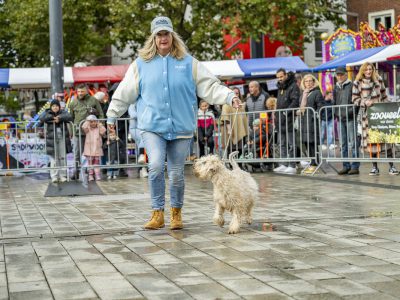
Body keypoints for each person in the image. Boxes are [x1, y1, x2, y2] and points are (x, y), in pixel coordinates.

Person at [106, 16, 241, 230]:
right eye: (158, 34)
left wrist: (229, 97)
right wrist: (112, 115)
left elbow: (210, 85)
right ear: (153, 38)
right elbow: (124, 92)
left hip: (181, 127)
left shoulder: (188, 63)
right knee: (156, 165)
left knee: (177, 173)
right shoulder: (140, 65)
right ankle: (157, 212)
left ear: (172, 36)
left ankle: (176, 213)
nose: (163, 38)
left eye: (166, 33)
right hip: (152, 127)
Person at [352, 62, 399, 176]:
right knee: (372, 143)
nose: (368, 71)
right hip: (367, 117)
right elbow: (354, 99)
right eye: (366, 69)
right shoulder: (357, 83)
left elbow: (384, 96)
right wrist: (364, 102)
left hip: (380, 115)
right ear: (362, 71)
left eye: (370, 69)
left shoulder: (379, 81)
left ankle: (392, 167)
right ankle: (374, 167)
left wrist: (390, 109)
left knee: (386, 141)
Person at [69, 84, 104, 179]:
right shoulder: (73, 102)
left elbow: (101, 114)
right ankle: (76, 172)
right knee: (77, 153)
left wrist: (99, 127)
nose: (80, 93)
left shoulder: (93, 100)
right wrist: (71, 132)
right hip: (78, 133)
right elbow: (70, 118)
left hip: (92, 133)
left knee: (92, 154)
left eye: (82, 91)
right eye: (79, 91)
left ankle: (90, 173)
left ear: (87, 91)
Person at [333, 66, 360, 175]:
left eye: (341, 74)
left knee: (353, 143)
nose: (339, 77)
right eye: (337, 75)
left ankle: (355, 166)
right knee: (343, 144)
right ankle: (346, 165)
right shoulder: (336, 87)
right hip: (340, 118)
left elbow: (355, 101)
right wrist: (336, 113)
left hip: (350, 117)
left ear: (345, 74)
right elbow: (334, 102)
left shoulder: (352, 85)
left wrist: (351, 112)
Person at [273, 68, 300, 174]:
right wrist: (276, 114)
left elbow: (295, 101)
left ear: (286, 75)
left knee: (291, 143)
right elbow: (278, 102)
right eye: (278, 77)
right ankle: (284, 163)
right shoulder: (280, 87)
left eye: (281, 76)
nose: (280, 79)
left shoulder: (293, 86)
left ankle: (292, 164)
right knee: (282, 143)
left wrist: (286, 112)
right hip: (280, 119)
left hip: (289, 118)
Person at [296, 74, 324, 175]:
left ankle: (314, 163)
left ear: (314, 81)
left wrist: (315, 114)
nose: (308, 83)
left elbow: (320, 106)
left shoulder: (316, 92)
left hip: (312, 121)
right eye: (306, 81)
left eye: (310, 81)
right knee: (306, 142)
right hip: (304, 121)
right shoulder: (303, 93)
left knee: (312, 143)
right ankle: (311, 162)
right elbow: (301, 106)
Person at [40, 99, 73, 183]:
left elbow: (69, 117)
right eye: (53, 106)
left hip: (62, 138)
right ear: (51, 107)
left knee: (62, 157)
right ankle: (54, 176)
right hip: (52, 139)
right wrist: (52, 117)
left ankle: (63, 175)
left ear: (59, 107)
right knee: (53, 158)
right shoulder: (47, 112)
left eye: (56, 106)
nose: (55, 107)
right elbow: (42, 118)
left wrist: (59, 118)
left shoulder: (63, 112)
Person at [220, 87, 249, 159]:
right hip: (230, 130)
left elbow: (244, 118)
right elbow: (225, 117)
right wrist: (229, 129)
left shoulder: (241, 105)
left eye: (237, 93)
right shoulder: (226, 105)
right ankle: (231, 165)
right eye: (234, 93)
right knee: (231, 149)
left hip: (240, 129)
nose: (235, 95)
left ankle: (239, 165)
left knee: (240, 148)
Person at [82, 115, 106, 181]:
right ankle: (90, 175)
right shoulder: (88, 128)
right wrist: (87, 120)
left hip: (97, 149)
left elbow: (103, 130)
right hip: (89, 149)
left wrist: (99, 124)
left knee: (96, 163)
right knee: (90, 163)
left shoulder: (99, 128)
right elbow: (83, 126)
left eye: (94, 121)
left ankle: (97, 174)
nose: (93, 123)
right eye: (91, 122)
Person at [128, 104, 148, 178]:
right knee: (144, 140)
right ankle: (142, 156)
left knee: (144, 147)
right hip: (135, 129)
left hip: (144, 128)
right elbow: (133, 115)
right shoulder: (132, 105)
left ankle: (143, 169)